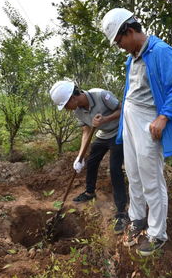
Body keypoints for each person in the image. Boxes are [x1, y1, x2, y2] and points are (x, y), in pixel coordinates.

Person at [100, 8, 172, 256]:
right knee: (134, 174)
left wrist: (163, 117)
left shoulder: (160, 51)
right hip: (130, 122)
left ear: (129, 31)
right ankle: (137, 218)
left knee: (151, 178)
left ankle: (157, 233)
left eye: (119, 41)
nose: (120, 46)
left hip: (147, 122)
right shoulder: (133, 56)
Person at [49, 80, 129, 234]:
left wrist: (105, 119)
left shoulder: (101, 95)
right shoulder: (78, 111)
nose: (66, 109)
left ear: (73, 98)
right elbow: (86, 131)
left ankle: (121, 212)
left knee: (114, 169)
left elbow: (123, 110)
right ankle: (89, 192)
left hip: (119, 133)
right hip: (103, 134)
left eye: (66, 105)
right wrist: (79, 157)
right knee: (91, 162)